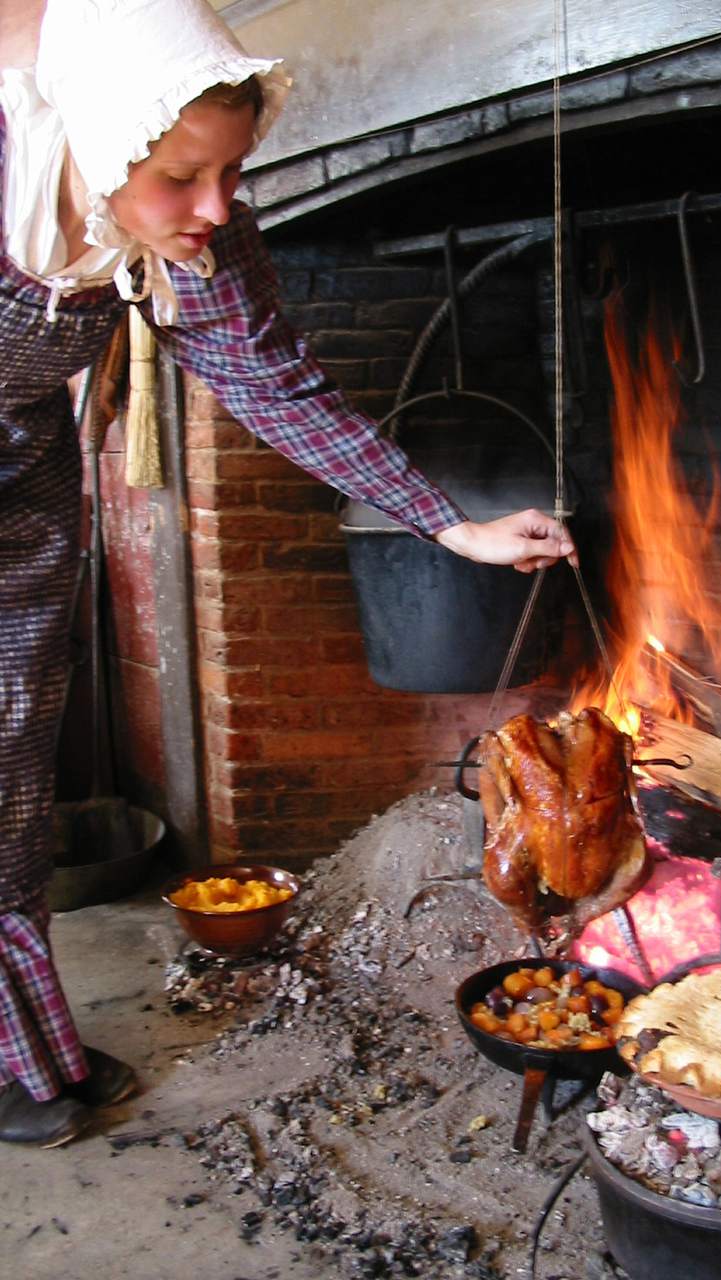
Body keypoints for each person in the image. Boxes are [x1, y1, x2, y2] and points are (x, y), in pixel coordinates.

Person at [0, 0, 575, 1149]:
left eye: (234, 171)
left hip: (21, 491)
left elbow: (274, 388)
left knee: (10, 777)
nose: (215, 208)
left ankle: (20, 1055)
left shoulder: (195, 236)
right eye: (180, 177)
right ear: (98, 145)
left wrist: (445, 525)